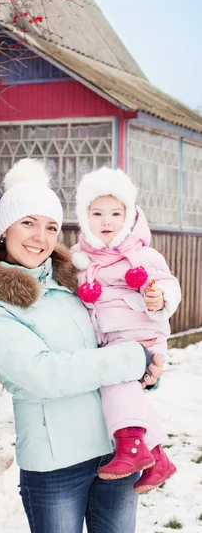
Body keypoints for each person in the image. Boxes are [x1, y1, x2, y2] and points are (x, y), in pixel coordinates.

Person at [0, 158, 162, 533]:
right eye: (28, 223)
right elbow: (43, 374)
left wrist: (147, 367)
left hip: (114, 448)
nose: (40, 237)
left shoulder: (74, 282)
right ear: (5, 228)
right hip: (56, 464)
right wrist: (131, 358)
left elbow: (116, 334)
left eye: (51, 227)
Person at [71, 166, 180, 493]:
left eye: (116, 213)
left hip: (143, 335)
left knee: (115, 381)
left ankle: (131, 445)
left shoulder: (143, 255)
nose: (107, 221)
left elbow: (169, 284)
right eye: (97, 213)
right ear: (84, 217)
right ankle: (158, 455)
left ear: (130, 217)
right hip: (112, 338)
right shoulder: (82, 262)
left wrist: (158, 297)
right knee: (127, 389)